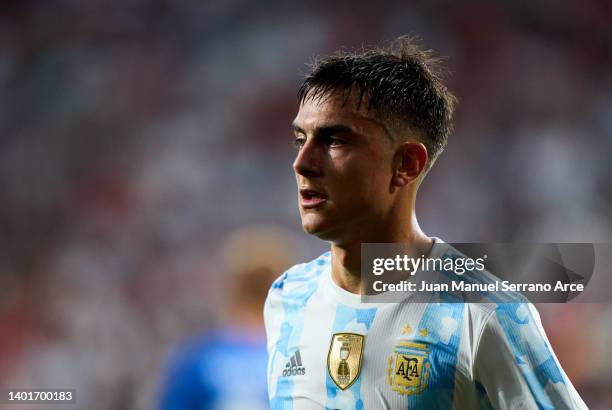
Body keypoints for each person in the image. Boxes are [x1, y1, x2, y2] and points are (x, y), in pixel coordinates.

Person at [264, 37, 587, 409]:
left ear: (406, 165)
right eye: (299, 139)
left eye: (334, 140)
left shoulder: (484, 313)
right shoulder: (288, 299)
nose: (302, 163)